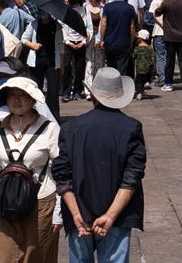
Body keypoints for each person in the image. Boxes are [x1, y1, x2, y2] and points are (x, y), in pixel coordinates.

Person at [52, 68, 146, 263]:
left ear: (93, 96)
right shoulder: (131, 127)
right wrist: (110, 216)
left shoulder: (71, 127)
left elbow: (62, 176)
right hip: (117, 217)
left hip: (79, 215)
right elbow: (132, 177)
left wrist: (77, 215)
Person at [0, 59, 55, 227]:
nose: (2, 80)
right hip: (0, 186)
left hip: (36, 187)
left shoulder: (39, 108)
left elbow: (55, 146)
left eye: (7, 76)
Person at [0, 77, 62, 262]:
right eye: (12, 95)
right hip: (2, 203)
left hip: (40, 203)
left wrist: (59, 210)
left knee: (38, 257)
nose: (16, 100)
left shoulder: (50, 128)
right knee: (4, 258)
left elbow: (62, 171)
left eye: (23, 95)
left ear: (33, 99)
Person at [100, 0, 137, 77]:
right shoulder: (130, 8)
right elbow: (132, 27)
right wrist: (132, 42)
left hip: (109, 41)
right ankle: (122, 88)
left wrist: (102, 39)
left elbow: (103, 24)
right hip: (124, 42)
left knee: (111, 67)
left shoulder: (107, 7)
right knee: (122, 68)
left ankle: (112, 89)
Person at [60, 0, 88, 102]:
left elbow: (89, 26)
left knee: (79, 67)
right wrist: (67, 41)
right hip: (68, 42)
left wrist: (84, 41)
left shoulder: (85, 10)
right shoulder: (65, 10)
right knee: (66, 66)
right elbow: (62, 26)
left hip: (81, 41)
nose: (71, 0)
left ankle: (77, 91)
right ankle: (66, 92)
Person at [82, 0, 105, 96]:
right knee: (89, 63)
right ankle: (88, 90)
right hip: (88, 38)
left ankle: (98, 88)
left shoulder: (103, 8)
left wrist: (99, 38)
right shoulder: (84, 7)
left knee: (99, 64)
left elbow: (104, 24)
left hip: (100, 38)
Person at [147, 0, 170, 86]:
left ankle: (162, 77)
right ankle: (168, 77)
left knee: (160, 55)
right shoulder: (172, 0)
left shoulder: (156, 0)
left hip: (159, 31)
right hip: (170, 32)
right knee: (168, 55)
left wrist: (161, 23)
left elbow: (154, 13)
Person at [132, 31, 155, 100]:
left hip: (140, 69)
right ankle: (148, 82)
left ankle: (139, 93)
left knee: (139, 81)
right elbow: (153, 57)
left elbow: (133, 56)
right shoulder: (150, 48)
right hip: (148, 68)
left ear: (139, 38)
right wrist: (154, 66)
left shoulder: (137, 49)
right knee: (148, 76)